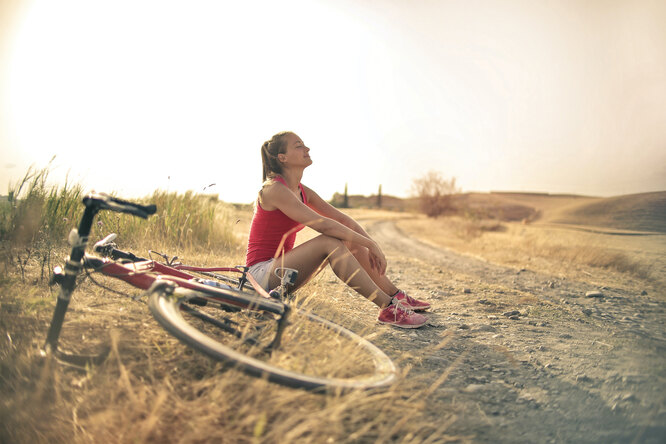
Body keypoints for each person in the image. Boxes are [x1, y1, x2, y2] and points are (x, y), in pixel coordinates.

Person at [245, 131, 430, 328]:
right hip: (259, 276)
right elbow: (323, 224)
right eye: (298, 145)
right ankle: (387, 308)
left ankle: (395, 296)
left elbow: (341, 219)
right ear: (282, 158)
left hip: (283, 275)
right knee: (329, 241)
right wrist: (369, 243)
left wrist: (371, 244)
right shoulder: (273, 189)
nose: (306, 148)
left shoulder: (301, 190)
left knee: (348, 237)